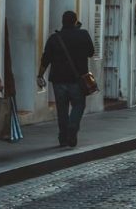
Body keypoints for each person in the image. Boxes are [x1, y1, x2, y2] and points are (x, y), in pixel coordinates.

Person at [37, 11, 94, 147]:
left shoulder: (54, 38)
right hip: (77, 79)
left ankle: (63, 137)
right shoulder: (83, 34)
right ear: (75, 22)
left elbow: (46, 59)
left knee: (61, 109)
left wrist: (40, 75)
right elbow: (91, 52)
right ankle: (72, 128)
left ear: (62, 22)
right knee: (78, 105)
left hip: (59, 80)